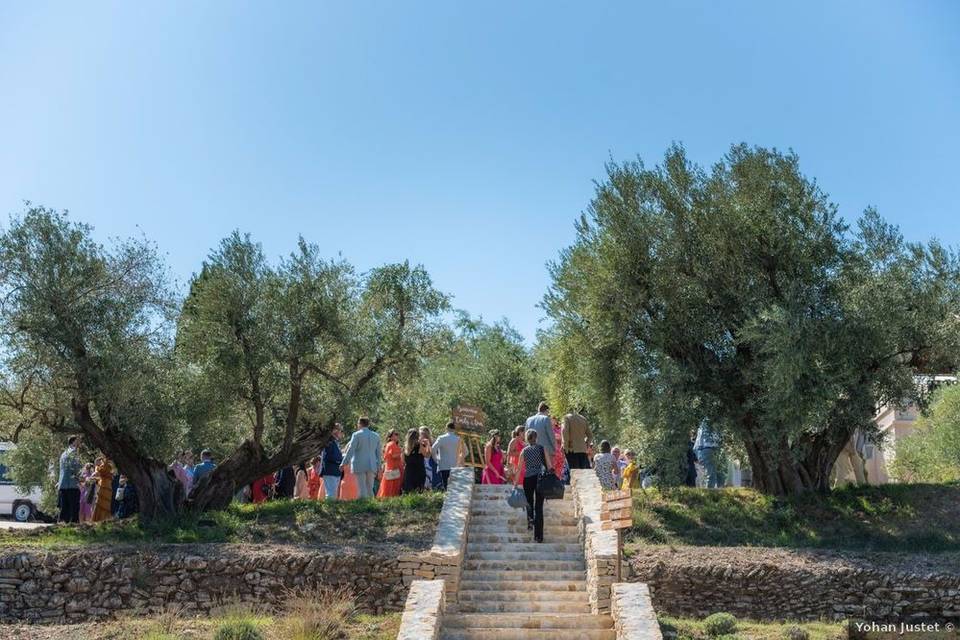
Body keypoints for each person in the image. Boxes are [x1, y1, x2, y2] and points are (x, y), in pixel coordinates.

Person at [341, 417, 382, 499]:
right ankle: (372, 504)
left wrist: (344, 463)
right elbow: (378, 453)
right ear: (368, 424)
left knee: (361, 487)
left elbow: (351, 450)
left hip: (359, 464)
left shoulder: (356, 435)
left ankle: (363, 505)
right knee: (370, 487)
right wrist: (379, 466)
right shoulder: (376, 436)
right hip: (372, 464)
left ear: (359, 424)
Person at [520, 429, 548, 543]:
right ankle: (539, 536)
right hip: (540, 479)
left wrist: (516, 482)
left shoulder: (524, 451)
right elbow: (549, 465)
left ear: (527, 438)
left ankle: (530, 520)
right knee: (539, 507)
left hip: (528, 479)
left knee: (529, 502)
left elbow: (519, 468)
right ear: (536, 438)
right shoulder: (542, 448)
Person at [524, 402, 555, 475]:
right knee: (547, 473)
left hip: (531, 450)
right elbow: (551, 436)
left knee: (533, 472)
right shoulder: (546, 419)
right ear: (546, 411)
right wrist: (554, 448)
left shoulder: (529, 419)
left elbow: (526, 435)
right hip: (546, 451)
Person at [56, 435, 82, 523]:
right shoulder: (73, 453)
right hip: (72, 484)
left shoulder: (64, 453)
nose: (79, 442)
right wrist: (81, 479)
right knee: (74, 507)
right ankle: (73, 526)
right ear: (73, 442)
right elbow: (75, 468)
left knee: (64, 508)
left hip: (63, 484)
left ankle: (61, 524)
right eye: (78, 441)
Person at [431, 421, 463, 490]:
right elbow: (466, 452)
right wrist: (459, 460)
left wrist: (436, 460)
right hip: (455, 465)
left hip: (443, 465)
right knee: (454, 488)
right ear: (454, 429)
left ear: (446, 428)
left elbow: (433, 450)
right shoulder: (458, 439)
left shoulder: (441, 438)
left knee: (446, 487)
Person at [694, 419, 721, 488]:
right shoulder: (709, 421)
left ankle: (708, 491)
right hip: (706, 449)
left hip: (701, 449)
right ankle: (709, 492)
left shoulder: (704, 422)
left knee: (707, 474)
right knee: (710, 474)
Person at [377, 429, 404, 498]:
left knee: (388, 487)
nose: (397, 436)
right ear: (391, 436)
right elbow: (393, 455)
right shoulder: (392, 444)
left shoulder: (389, 444)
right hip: (394, 469)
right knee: (392, 487)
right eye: (396, 434)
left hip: (391, 468)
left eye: (398, 434)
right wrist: (402, 451)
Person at [321, 424, 344, 500]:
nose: (340, 432)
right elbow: (327, 456)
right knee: (330, 494)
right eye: (338, 430)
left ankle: (332, 509)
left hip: (335, 471)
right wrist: (340, 459)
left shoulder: (335, 442)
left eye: (340, 430)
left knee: (333, 494)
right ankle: (329, 509)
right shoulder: (329, 441)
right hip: (330, 470)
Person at [402, 429, 427, 494]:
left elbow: (403, 461)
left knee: (409, 493)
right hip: (420, 471)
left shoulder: (405, 447)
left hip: (409, 472)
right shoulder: (420, 446)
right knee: (419, 493)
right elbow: (426, 455)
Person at [92, 457, 115, 522]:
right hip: (106, 486)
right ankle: (103, 519)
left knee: (101, 503)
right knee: (103, 503)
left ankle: (101, 519)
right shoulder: (108, 466)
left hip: (104, 487)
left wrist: (96, 464)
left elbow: (98, 472)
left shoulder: (104, 466)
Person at [420, 426, 442, 491]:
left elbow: (430, 454)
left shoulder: (431, 442)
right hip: (428, 462)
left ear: (423, 434)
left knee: (431, 477)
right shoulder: (432, 441)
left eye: (420, 434)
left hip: (430, 462)